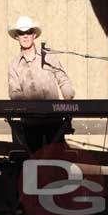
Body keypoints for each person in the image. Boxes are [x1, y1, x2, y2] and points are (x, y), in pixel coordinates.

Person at [8, 15, 75, 154]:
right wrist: (32, 107)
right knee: (34, 164)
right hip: (30, 123)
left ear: (34, 35)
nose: (25, 36)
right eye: (21, 33)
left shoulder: (49, 57)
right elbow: (14, 93)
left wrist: (69, 102)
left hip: (54, 120)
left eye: (28, 32)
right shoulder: (14, 65)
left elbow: (63, 80)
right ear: (17, 37)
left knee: (57, 161)